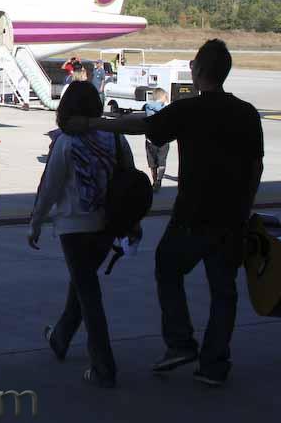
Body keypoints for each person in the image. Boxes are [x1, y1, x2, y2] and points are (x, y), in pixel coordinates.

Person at [63, 39, 264, 386]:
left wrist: (93, 124)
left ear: (198, 72)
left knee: (167, 268)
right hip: (232, 219)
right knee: (223, 291)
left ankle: (180, 342)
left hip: (193, 216)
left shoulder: (189, 111)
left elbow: (142, 125)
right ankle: (214, 365)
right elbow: (257, 166)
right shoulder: (247, 113)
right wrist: (244, 208)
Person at [29, 81, 132, 388]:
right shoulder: (115, 138)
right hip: (106, 226)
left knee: (88, 295)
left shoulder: (65, 143)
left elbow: (50, 187)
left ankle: (104, 366)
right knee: (83, 285)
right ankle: (60, 338)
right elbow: (129, 178)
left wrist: (36, 222)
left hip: (74, 228)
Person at [142, 88, 170, 192]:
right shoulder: (168, 108)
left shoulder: (148, 107)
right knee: (162, 161)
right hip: (164, 140)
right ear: (162, 97)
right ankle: (159, 180)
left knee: (152, 163)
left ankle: (155, 182)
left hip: (150, 140)